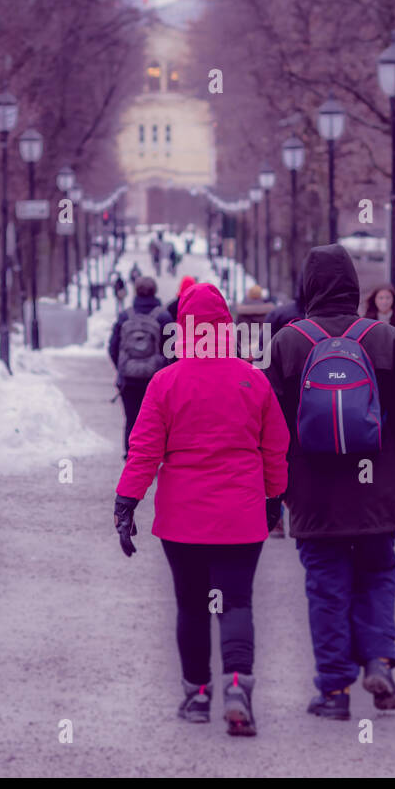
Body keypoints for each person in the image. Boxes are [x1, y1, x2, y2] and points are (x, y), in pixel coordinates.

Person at [267, 243, 395, 721]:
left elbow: (271, 427)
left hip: (315, 496)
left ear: (309, 287)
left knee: (326, 586)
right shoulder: (384, 339)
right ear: (352, 285)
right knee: (378, 575)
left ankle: (334, 690)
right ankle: (380, 660)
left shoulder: (288, 343)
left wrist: (278, 491)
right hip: (379, 490)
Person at [114, 282, 289, 736]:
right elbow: (276, 449)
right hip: (241, 516)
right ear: (225, 327)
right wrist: (275, 500)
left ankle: (196, 694)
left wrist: (126, 504)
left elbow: (144, 450)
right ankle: (236, 686)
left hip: (183, 519)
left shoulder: (165, 382)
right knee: (235, 603)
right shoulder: (253, 379)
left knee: (191, 606)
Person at [108, 277, 174, 459]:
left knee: (131, 419)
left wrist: (123, 368)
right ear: (155, 291)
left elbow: (113, 347)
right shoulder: (163, 317)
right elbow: (172, 350)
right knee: (155, 422)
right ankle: (152, 457)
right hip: (155, 380)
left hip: (128, 380)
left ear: (136, 291)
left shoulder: (125, 316)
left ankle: (131, 455)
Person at [233, 284, 275, 361]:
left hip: (245, 352)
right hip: (262, 352)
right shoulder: (268, 313)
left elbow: (237, 334)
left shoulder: (242, 314)